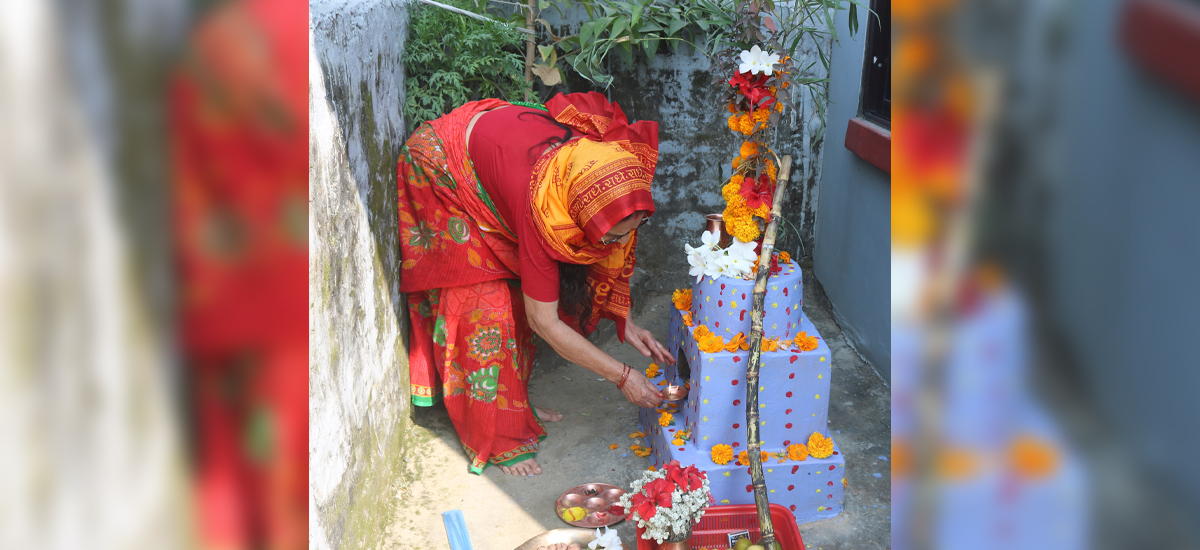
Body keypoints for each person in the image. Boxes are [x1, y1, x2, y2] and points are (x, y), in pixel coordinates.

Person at [398, 92, 674, 476]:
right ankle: (494, 430)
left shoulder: (607, 171)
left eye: (633, 230)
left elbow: (612, 252)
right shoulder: (541, 212)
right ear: (576, 218)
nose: (618, 244)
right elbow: (544, 322)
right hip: (441, 170)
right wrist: (623, 376)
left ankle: (513, 402)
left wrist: (624, 320)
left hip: (499, 158)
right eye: (610, 237)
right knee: (489, 309)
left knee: (526, 296)